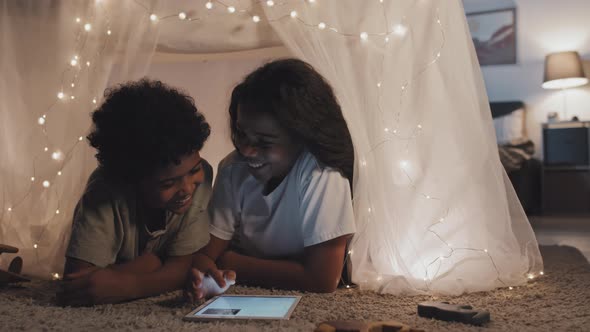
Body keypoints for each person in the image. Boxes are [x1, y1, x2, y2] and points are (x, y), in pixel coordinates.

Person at [187, 59, 356, 297]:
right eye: (241, 134)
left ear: (301, 137)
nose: (247, 150)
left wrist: (234, 262)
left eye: (265, 142)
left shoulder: (322, 174)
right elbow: (207, 253)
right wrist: (204, 268)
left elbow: (322, 279)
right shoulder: (233, 169)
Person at [59, 79, 232, 306]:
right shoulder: (104, 194)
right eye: (168, 183)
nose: (188, 188)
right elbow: (77, 286)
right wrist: (155, 266)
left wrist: (133, 283)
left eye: (194, 170)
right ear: (130, 181)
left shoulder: (203, 179)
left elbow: (184, 264)